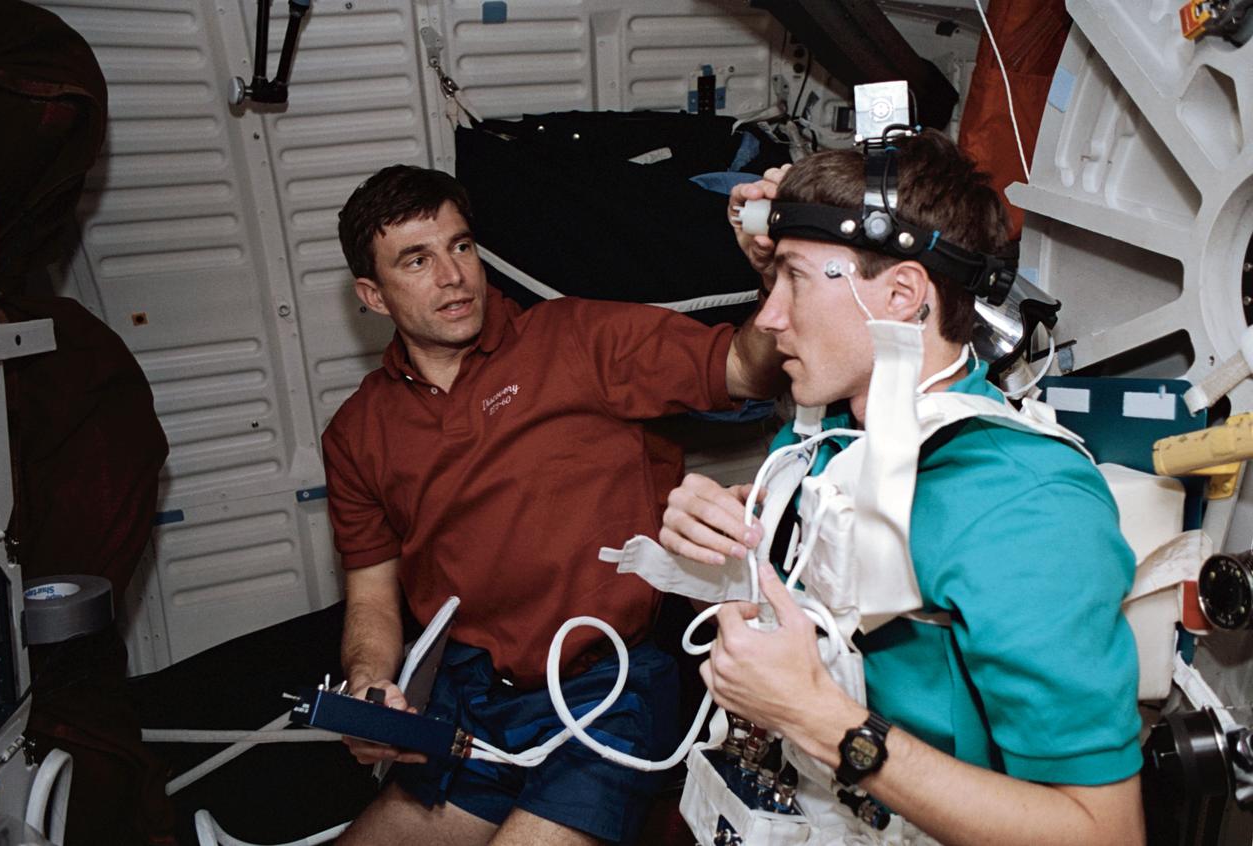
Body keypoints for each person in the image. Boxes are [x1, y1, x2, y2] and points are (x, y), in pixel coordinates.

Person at [659, 131, 1146, 845]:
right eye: (772, 279)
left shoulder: (1024, 507)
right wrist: (717, 549)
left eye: (795, 280)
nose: (767, 317)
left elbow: (1104, 834)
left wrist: (820, 720)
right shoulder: (827, 434)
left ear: (901, 295)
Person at [321, 164, 784, 845]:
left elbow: (745, 368)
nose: (453, 276)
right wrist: (368, 688)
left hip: (608, 690)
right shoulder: (358, 431)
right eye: (416, 261)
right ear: (374, 295)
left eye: (460, 246)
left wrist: (778, 277)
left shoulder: (578, 338)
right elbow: (370, 596)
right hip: (472, 699)